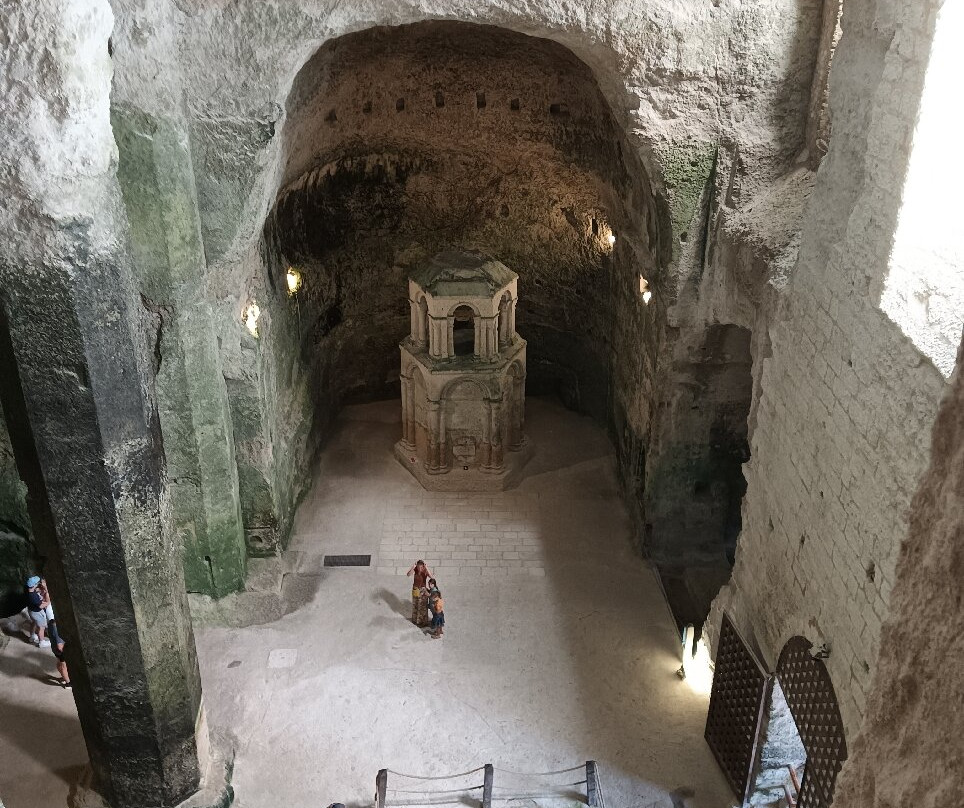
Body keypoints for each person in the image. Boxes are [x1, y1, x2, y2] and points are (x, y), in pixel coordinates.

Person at [24, 575, 51, 648]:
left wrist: (42, 589)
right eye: (37, 583)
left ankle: (32, 636)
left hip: (31, 611)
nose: (38, 583)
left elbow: (37, 590)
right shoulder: (33, 597)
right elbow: (41, 606)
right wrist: (48, 601)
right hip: (37, 613)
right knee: (41, 627)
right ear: (34, 586)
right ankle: (42, 642)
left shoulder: (28, 591)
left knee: (34, 622)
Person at [405, 560, 434, 625]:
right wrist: (413, 566)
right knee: (415, 605)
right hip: (415, 589)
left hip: (423, 589)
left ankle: (423, 622)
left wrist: (426, 567)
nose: (419, 569)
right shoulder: (415, 569)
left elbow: (432, 577)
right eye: (418, 567)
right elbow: (408, 574)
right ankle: (416, 621)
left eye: (421, 567)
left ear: (423, 566)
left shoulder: (425, 570)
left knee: (423, 606)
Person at [48, 619, 71, 688]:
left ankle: (67, 681)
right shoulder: (56, 627)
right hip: (60, 652)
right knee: (62, 666)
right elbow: (60, 646)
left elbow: (59, 646)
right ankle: (67, 681)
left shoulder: (52, 625)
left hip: (58, 651)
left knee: (60, 666)